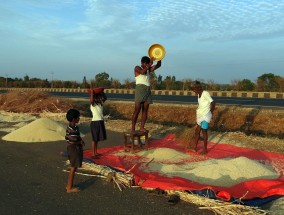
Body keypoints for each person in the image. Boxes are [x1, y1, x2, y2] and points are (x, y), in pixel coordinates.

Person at [131, 56, 162, 133]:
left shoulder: (148, 69)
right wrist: (150, 64)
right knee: (137, 110)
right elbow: (142, 72)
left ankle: (142, 127)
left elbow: (158, 66)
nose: (148, 65)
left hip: (147, 90)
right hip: (140, 89)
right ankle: (133, 129)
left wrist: (159, 59)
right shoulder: (137, 68)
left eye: (148, 64)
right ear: (143, 63)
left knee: (145, 110)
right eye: (147, 64)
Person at [191, 81, 215, 154]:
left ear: (198, 88)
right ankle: (195, 147)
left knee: (204, 132)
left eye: (194, 90)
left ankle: (205, 150)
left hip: (205, 116)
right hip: (200, 115)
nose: (194, 92)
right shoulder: (199, 95)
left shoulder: (205, 93)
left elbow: (213, 103)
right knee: (197, 131)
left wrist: (210, 112)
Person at [65, 108, 85, 193]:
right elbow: (73, 140)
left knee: (74, 166)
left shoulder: (74, 127)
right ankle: (69, 188)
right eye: (78, 117)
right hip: (74, 149)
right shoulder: (72, 129)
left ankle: (69, 185)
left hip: (75, 148)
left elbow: (75, 137)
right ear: (74, 119)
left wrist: (80, 140)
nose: (79, 119)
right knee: (73, 167)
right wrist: (79, 141)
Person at [90, 86, 107, 158]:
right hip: (95, 122)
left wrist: (102, 92)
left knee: (97, 139)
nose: (101, 99)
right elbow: (91, 100)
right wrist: (92, 93)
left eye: (100, 98)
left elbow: (105, 98)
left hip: (100, 122)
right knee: (94, 139)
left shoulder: (100, 104)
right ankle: (93, 154)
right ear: (95, 98)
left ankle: (96, 152)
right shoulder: (93, 105)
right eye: (99, 98)